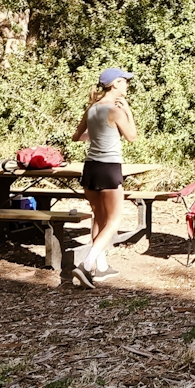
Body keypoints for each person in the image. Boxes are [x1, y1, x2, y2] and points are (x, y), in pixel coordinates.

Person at [71, 67, 137, 288]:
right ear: (115, 84)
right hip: (108, 168)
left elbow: (76, 137)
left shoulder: (92, 109)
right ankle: (86, 266)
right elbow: (132, 137)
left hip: (90, 168)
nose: (127, 85)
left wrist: (98, 134)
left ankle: (100, 266)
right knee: (114, 221)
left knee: (99, 218)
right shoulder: (115, 110)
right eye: (125, 81)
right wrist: (128, 112)